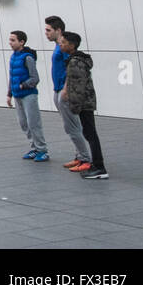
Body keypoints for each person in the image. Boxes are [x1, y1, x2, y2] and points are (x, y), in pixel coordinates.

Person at [45, 16, 92, 171]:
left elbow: (69, 69)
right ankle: (80, 156)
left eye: (48, 30)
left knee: (71, 127)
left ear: (58, 30)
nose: (46, 33)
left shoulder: (63, 47)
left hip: (63, 91)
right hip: (58, 89)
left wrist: (65, 89)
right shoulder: (58, 46)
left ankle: (85, 158)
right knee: (71, 126)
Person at [61, 32, 108, 179]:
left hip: (84, 103)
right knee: (89, 133)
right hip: (86, 102)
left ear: (72, 45)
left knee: (90, 134)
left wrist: (75, 105)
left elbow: (78, 86)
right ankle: (97, 165)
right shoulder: (76, 60)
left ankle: (99, 167)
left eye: (63, 42)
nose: (60, 44)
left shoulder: (75, 62)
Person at [7, 30, 48, 162]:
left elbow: (35, 78)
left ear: (22, 42)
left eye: (13, 40)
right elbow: (12, 77)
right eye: (10, 40)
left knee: (33, 122)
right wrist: (9, 94)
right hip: (17, 96)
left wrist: (23, 85)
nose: (10, 43)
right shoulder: (13, 57)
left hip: (28, 95)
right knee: (23, 123)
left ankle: (42, 149)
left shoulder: (27, 57)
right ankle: (34, 147)